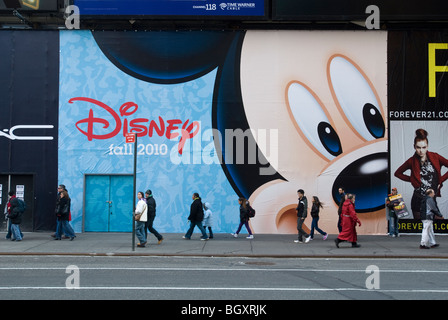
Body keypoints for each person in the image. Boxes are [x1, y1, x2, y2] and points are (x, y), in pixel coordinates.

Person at [395, 129, 448, 218]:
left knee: (438, 224)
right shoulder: (411, 161)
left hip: (431, 199)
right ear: (414, 147)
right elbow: (397, 173)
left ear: (427, 146)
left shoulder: (435, 157)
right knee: (420, 228)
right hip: (418, 200)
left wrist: (440, 180)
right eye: (418, 147)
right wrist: (412, 179)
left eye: (424, 147)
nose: (421, 151)